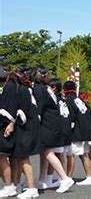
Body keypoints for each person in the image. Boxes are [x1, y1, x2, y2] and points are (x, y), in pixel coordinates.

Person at [36, 76, 75, 193]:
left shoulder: (50, 96)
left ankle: (64, 178)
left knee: (49, 153)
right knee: (46, 153)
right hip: (59, 128)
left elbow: (40, 109)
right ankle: (42, 180)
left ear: (53, 87)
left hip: (50, 127)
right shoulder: (60, 99)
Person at [11, 66, 42, 198]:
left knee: (24, 157)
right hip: (33, 123)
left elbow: (22, 113)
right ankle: (26, 185)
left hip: (27, 125)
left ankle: (31, 188)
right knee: (22, 157)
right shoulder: (29, 88)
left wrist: (12, 122)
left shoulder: (23, 90)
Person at [63, 81, 91, 186]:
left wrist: (69, 129)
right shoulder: (79, 100)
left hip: (77, 131)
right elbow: (89, 111)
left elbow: (71, 116)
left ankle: (69, 177)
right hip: (86, 129)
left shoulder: (69, 100)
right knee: (83, 153)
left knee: (71, 154)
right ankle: (89, 176)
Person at [0, 65, 18, 198]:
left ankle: (9, 185)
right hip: (6, 123)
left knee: (2, 156)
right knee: (11, 157)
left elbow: (12, 106)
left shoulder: (10, 86)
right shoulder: (9, 85)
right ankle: (14, 184)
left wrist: (11, 123)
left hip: (6, 124)